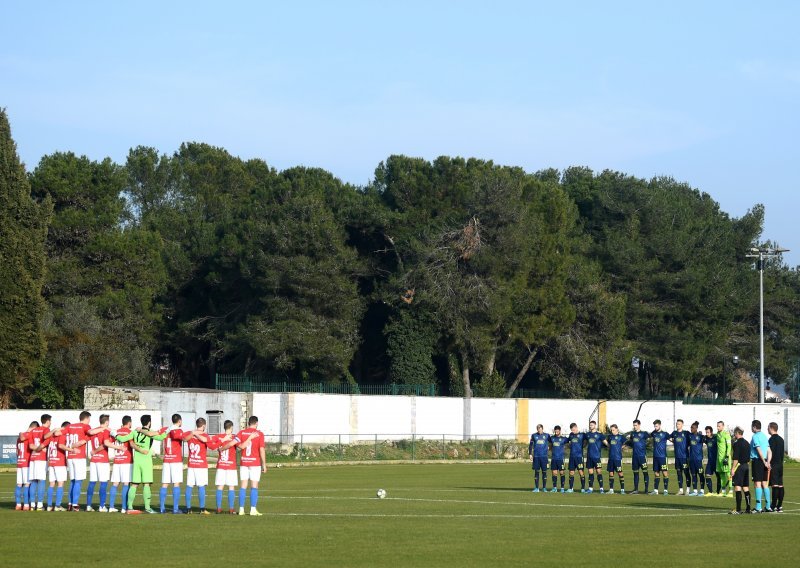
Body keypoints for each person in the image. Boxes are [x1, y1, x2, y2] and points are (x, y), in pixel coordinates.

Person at [114, 415, 168, 514]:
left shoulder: (135, 432)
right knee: (146, 484)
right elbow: (161, 437)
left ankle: (129, 507)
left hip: (137, 460)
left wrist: (115, 434)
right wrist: (167, 431)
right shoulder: (150, 433)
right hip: (146, 460)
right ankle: (147, 508)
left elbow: (122, 439)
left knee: (134, 484)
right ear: (149, 422)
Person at [64, 411, 108, 511]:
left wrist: (74, 444)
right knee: (78, 481)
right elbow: (91, 432)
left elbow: (60, 432)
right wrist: (104, 428)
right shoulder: (86, 426)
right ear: (87, 418)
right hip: (79, 456)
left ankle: (70, 503)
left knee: (73, 481)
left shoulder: (71, 426)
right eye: (89, 419)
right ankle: (75, 504)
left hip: (70, 455)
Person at [160, 413, 191, 514]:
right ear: (179, 421)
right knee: (176, 484)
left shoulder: (165, 429)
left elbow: (156, 434)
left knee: (165, 484)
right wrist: (193, 433)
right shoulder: (178, 430)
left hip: (166, 459)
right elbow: (184, 439)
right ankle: (175, 509)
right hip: (176, 460)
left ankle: (161, 508)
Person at [236, 415, 266, 516]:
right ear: (256, 423)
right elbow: (261, 449)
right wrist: (264, 464)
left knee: (243, 486)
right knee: (254, 486)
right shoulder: (259, 434)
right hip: (254, 463)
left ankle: (241, 510)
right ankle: (252, 509)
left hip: (244, 462)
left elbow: (238, 446)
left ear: (248, 423)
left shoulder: (241, 432)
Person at [184, 418, 214, 515]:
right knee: (201, 486)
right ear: (204, 426)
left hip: (192, 463)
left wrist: (193, 433)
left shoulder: (190, 433)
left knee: (189, 486)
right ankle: (202, 509)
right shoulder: (204, 435)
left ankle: (188, 509)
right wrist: (196, 434)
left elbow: (184, 439)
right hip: (201, 465)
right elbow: (206, 440)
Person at [86, 414, 114, 512]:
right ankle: (102, 506)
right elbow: (104, 445)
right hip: (102, 460)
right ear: (106, 422)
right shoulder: (106, 431)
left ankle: (88, 506)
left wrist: (94, 452)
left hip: (94, 460)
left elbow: (89, 434)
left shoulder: (94, 431)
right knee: (103, 483)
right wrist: (95, 451)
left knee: (92, 483)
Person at [27, 413, 54, 511]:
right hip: (41, 459)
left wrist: (36, 449)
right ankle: (39, 505)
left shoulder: (33, 430)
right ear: (47, 421)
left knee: (33, 481)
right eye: (50, 421)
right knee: (42, 481)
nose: (51, 423)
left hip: (33, 458)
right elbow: (45, 444)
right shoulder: (47, 430)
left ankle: (32, 504)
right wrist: (40, 449)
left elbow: (30, 446)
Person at [108, 416, 134, 513]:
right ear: (129, 423)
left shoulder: (116, 432)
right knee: (126, 483)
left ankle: (111, 506)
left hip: (117, 460)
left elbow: (109, 443)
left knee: (115, 483)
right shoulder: (130, 432)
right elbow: (132, 445)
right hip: (127, 461)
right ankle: (124, 507)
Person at [214, 420, 240, 514]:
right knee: (231, 487)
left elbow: (213, 445)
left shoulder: (219, 437)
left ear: (224, 427)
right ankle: (231, 509)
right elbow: (240, 446)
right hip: (231, 466)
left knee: (220, 487)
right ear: (231, 427)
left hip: (221, 465)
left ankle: (218, 508)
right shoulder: (234, 437)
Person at [46, 421, 70, 511]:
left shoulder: (51, 436)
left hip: (51, 461)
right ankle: (57, 505)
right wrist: (71, 449)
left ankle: (49, 505)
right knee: (60, 484)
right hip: (60, 462)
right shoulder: (62, 435)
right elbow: (61, 446)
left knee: (51, 484)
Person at [749, 419, 772, 513]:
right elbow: (769, 451)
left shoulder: (755, 436)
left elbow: (758, 449)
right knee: (764, 484)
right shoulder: (764, 436)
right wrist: (768, 462)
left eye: (751, 426)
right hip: (765, 461)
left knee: (757, 484)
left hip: (758, 461)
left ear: (754, 427)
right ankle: (768, 506)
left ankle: (758, 507)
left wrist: (763, 461)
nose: (751, 428)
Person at [729, 427, 751, 514]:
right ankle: (748, 508)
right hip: (746, 466)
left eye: (735, 433)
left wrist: (733, 469)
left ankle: (738, 509)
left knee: (737, 487)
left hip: (739, 466)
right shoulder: (747, 443)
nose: (734, 435)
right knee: (745, 487)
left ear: (737, 433)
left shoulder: (736, 443)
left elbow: (736, 458)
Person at [15, 422, 36, 511]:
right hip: (26, 463)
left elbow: (17, 452)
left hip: (19, 462)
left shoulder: (19, 438)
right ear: (34, 428)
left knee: (19, 484)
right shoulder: (29, 436)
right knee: (27, 484)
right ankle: (26, 505)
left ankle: (18, 504)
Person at [625, 420, 649, 494]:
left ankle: (646, 490)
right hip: (635, 457)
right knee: (635, 473)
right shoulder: (632, 434)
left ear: (639, 425)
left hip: (642, 456)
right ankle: (635, 489)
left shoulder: (644, 433)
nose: (634, 427)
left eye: (635, 425)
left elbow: (650, 439)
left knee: (645, 473)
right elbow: (632, 443)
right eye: (634, 425)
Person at [767, 422, 785, 513]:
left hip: (774, 464)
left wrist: (768, 462)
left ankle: (773, 505)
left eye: (768, 428)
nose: (767, 430)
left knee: (774, 485)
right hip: (780, 464)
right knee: (780, 485)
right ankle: (779, 506)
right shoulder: (781, 439)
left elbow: (770, 452)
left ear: (771, 428)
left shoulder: (771, 440)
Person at [603, 424, 626, 494]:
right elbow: (607, 443)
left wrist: (621, 447)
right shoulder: (610, 437)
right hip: (611, 458)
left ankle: (622, 490)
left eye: (613, 430)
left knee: (620, 473)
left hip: (618, 458)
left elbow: (626, 443)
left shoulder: (621, 437)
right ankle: (611, 490)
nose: (612, 431)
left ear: (617, 429)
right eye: (611, 430)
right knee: (611, 473)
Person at [669, 419, 689, 495]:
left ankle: (687, 490)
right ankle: (680, 490)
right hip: (677, 457)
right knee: (679, 473)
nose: (678, 425)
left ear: (682, 425)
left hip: (684, 457)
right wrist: (672, 441)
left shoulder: (686, 433)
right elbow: (669, 437)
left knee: (686, 473)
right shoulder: (674, 433)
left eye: (679, 424)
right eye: (677, 424)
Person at [584, 421, 605, 494]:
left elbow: (605, 442)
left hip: (597, 457)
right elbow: (585, 443)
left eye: (592, 425)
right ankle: (590, 488)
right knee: (590, 472)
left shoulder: (599, 434)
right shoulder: (587, 434)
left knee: (598, 472)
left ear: (595, 425)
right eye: (590, 425)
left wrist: (610, 447)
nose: (590, 426)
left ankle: (601, 488)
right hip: (589, 456)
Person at [528, 424, 550, 492]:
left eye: (540, 428)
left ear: (542, 429)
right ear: (537, 429)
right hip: (536, 457)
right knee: (536, 472)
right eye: (538, 428)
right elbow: (531, 445)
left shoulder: (547, 435)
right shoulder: (534, 435)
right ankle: (536, 488)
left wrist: (549, 447)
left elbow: (552, 442)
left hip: (544, 457)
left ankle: (544, 488)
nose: (539, 430)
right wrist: (530, 454)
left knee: (544, 472)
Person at [650, 420, 670, 495]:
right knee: (656, 473)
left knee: (665, 473)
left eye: (657, 426)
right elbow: (649, 437)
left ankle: (665, 490)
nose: (655, 427)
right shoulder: (653, 433)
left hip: (663, 457)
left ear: (660, 425)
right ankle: (655, 490)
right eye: (654, 426)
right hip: (655, 457)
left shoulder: (665, 434)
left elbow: (671, 439)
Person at [566, 423, 586, 493]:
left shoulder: (582, 435)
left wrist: (584, 445)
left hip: (579, 457)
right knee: (571, 472)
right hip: (572, 457)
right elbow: (568, 441)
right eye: (571, 430)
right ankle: (571, 488)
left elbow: (587, 441)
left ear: (576, 427)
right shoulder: (571, 435)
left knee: (581, 472)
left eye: (573, 429)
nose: (573, 431)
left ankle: (583, 488)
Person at [686, 421, 705, 496]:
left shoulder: (701, 437)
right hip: (691, 459)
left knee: (700, 475)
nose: (691, 429)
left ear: (696, 428)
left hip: (699, 459)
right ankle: (695, 491)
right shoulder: (689, 436)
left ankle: (702, 491)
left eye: (693, 428)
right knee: (693, 475)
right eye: (691, 427)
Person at [548, 426, 568, 493]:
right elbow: (550, 446)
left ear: (560, 430)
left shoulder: (563, 439)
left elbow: (569, 443)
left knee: (562, 473)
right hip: (554, 458)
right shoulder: (552, 438)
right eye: (555, 430)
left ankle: (562, 488)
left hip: (561, 459)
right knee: (554, 473)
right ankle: (554, 488)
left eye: (557, 430)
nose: (556, 432)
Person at [716, 421, 733, 497]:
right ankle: (723, 492)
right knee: (722, 475)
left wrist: (727, 456)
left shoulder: (726, 434)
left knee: (728, 474)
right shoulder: (717, 434)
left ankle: (731, 491)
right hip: (719, 458)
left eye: (719, 426)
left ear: (723, 426)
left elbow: (729, 446)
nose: (718, 427)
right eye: (717, 426)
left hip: (725, 458)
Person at [702, 425, 719, 496]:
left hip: (717, 461)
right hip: (710, 461)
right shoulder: (706, 439)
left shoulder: (716, 438)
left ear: (711, 432)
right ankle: (710, 492)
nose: (707, 434)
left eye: (708, 432)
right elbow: (703, 439)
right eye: (706, 432)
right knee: (707, 475)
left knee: (719, 476)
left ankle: (718, 492)